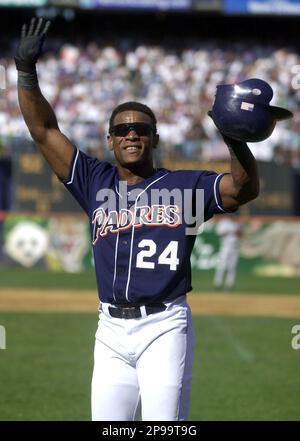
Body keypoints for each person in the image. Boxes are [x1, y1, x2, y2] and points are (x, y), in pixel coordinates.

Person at [14, 17, 259, 421]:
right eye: (122, 129)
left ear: (155, 139)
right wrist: (26, 74)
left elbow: (243, 188)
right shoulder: (93, 180)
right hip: (109, 330)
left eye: (141, 129)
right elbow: (43, 130)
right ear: (110, 139)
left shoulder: (186, 187)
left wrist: (235, 139)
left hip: (164, 326)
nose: (131, 134)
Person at [213, 213, 243, 290]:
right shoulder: (224, 222)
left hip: (235, 247)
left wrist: (238, 231)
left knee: (232, 267)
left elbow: (241, 235)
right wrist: (231, 231)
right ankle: (218, 283)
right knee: (221, 266)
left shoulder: (237, 223)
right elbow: (219, 234)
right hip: (225, 247)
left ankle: (229, 284)